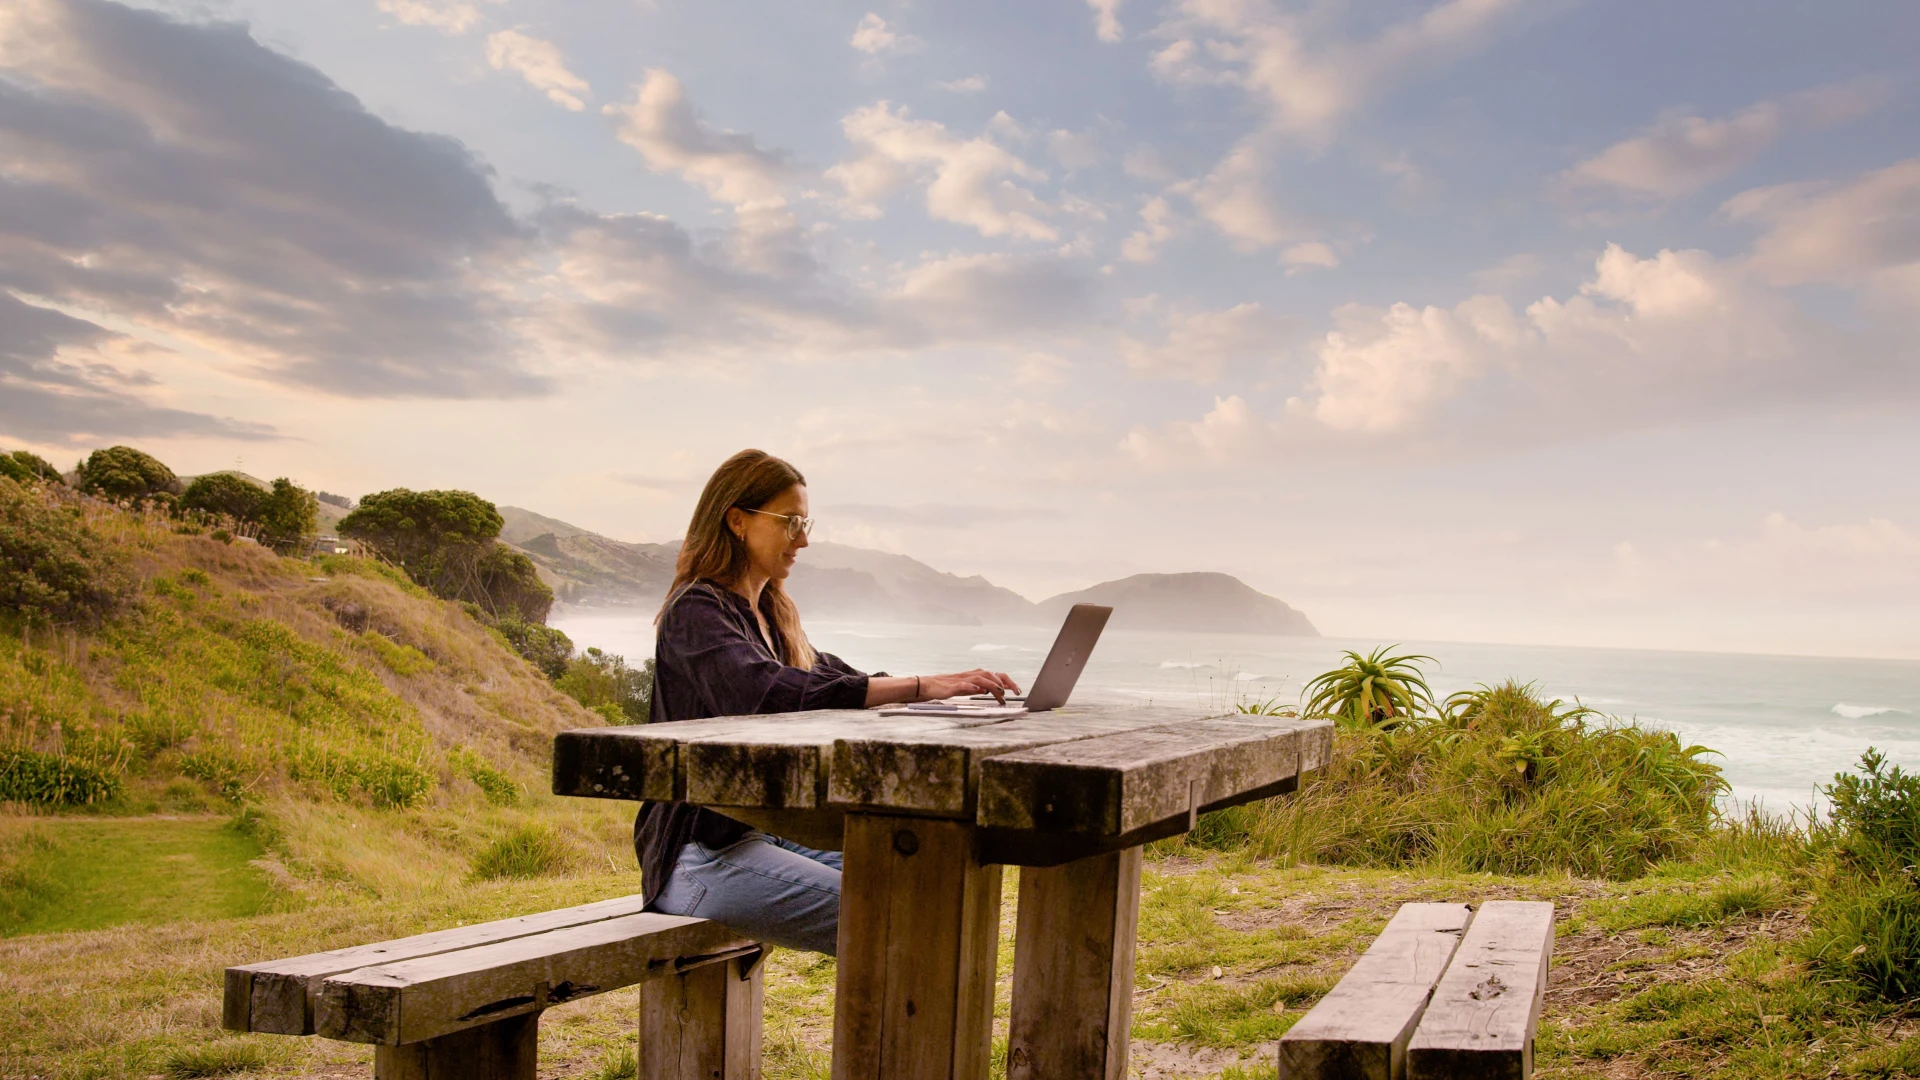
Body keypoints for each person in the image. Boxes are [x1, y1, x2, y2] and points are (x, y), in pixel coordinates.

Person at [634, 449, 1019, 955]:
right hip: (695, 856)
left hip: (761, 835)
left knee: (927, 875)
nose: (805, 539)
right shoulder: (697, 612)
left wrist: (949, 694)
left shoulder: (772, 615)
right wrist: (923, 685)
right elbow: (768, 694)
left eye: (805, 522)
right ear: (737, 521)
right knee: (891, 919)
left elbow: (836, 680)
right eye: (791, 522)